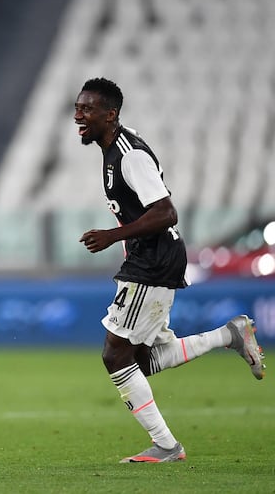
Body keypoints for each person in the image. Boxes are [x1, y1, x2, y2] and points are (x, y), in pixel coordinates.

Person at [74, 77, 266, 463]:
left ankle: (166, 445)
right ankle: (229, 335)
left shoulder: (129, 154)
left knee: (115, 356)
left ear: (110, 115)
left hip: (154, 259)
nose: (79, 115)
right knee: (138, 361)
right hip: (149, 257)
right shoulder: (113, 147)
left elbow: (166, 212)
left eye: (88, 109)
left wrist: (114, 235)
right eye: (78, 107)